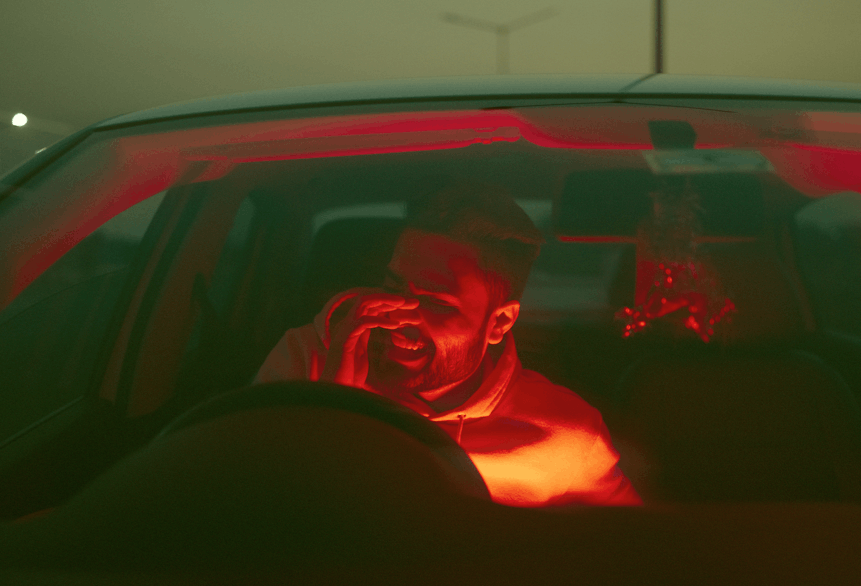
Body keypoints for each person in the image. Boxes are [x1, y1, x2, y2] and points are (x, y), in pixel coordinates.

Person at [256, 182, 641, 507]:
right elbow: (246, 506)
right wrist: (332, 410)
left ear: (500, 323)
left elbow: (630, 555)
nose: (399, 319)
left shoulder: (566, 436)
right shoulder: (305, 360)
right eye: (393, 289)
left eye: (437, 304)